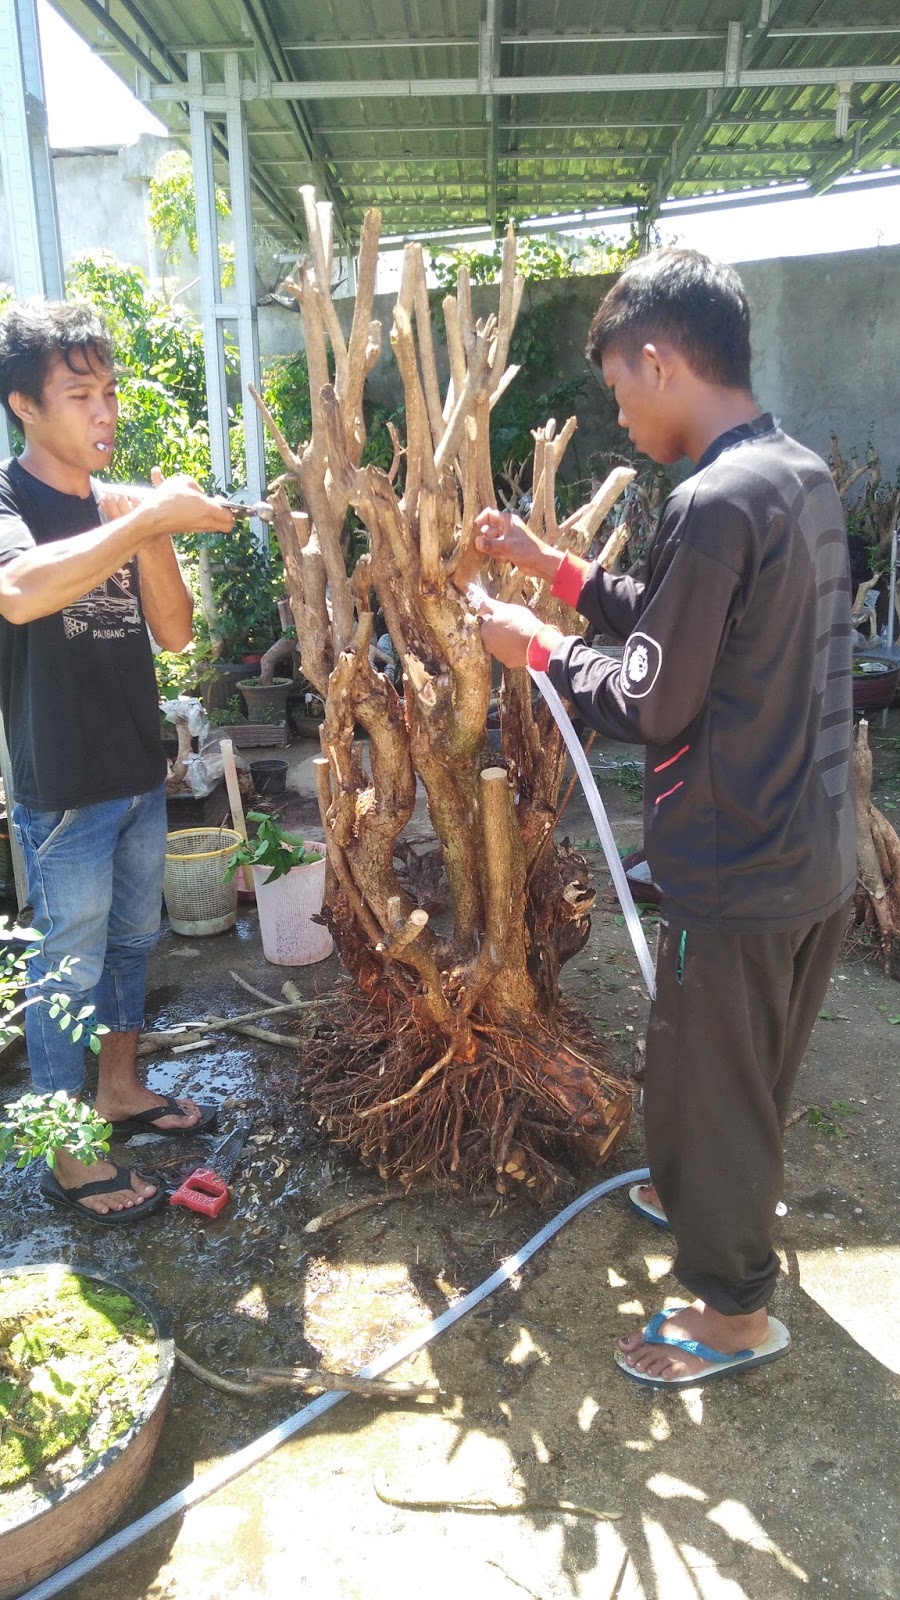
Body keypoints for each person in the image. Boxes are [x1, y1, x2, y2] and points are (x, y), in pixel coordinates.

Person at [473, 249, 854, 1386]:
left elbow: (650, 692)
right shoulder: (793, 474)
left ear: (661, 357)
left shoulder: (712, 497)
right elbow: (691, 622)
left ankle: (734, 1309)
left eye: (621, 391)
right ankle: (703, 1189)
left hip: (735, 870)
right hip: (809, 852)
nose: (622, 416)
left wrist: (531, 645)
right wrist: (557, 570)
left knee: (705, 1075)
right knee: (743, 1070)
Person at [0, 297, 236, 1224]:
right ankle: (67, 1150)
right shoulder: (10, 502)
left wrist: (155, 524)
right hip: (63, 791)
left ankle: (121, 1089)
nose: (104, 412)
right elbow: (19, 593)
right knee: (65, 968)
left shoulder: (118, 508)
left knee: (133, 945)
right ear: (25, 404)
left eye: (109, 392)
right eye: (78, 394)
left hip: (139, 773)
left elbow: (174, 632)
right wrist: (142, 522)